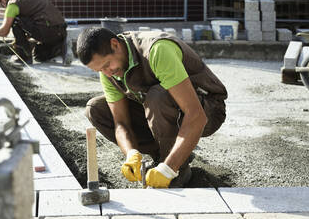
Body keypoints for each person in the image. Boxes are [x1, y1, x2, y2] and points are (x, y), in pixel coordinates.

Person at [76, 27, 227, 188]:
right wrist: (131, 154)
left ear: (115, 44)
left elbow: (196, 115)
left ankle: (175, 168)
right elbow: (121, 123)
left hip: (208, 109)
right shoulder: (109, 73)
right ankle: (163, 157)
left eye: (107, 65)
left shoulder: (157, 50)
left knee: (157, 96)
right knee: (96, 109)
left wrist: (168, 169)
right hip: (161, 110)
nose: (107, 73)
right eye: (100, 70)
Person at [0, 0, 70, 65]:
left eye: (2, 5)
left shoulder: (13, 3)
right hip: (60, 31)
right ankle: (59, 47)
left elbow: (4, 31)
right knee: (39, 56)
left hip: (46, 31)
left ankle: (24, 57)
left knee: (15, 20)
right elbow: (34, 20)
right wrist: (23, 38)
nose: (4, 8)